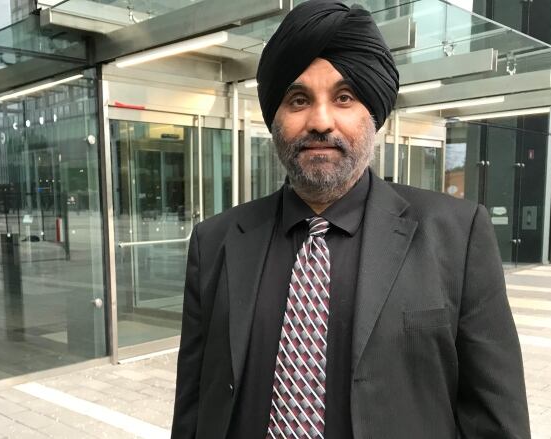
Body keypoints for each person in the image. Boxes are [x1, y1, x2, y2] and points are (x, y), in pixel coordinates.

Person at [170, 1, 530, 438]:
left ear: (373, 114)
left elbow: (496, 415)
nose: (320, 121)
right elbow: (192, 404)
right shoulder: (216, 241)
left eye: (344, 97)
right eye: (298, 99)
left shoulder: (456, 235)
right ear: (274, 117)